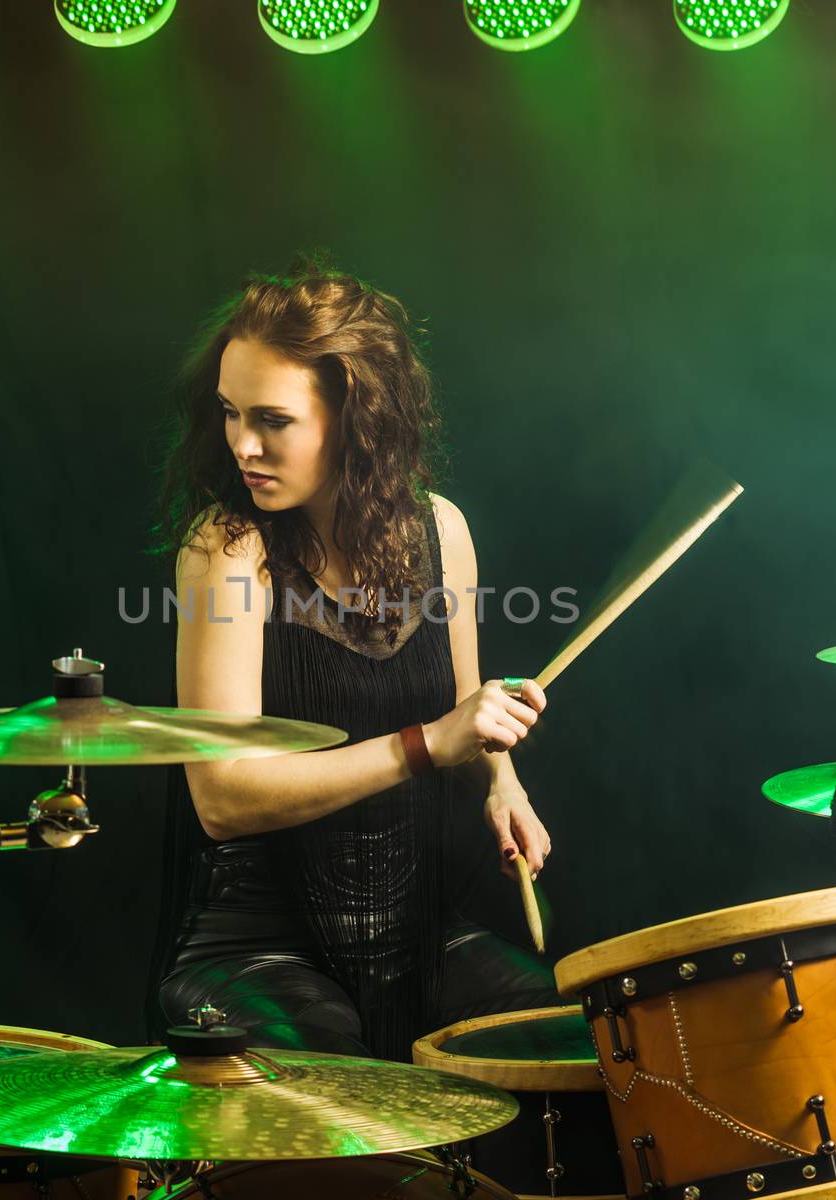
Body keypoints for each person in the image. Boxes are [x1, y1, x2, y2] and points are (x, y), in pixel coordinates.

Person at [149, 256, 556, 1060]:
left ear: (357, 419)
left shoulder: (444, 531)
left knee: (579, 1042)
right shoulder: (228, 549)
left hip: (422, 931)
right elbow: (222, 800)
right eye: (230, 413)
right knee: (330, 1069)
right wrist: (426, 746)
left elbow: (466, 713)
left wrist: (502, 781)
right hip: (261, 948)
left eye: (272, 420)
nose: (241, 444)